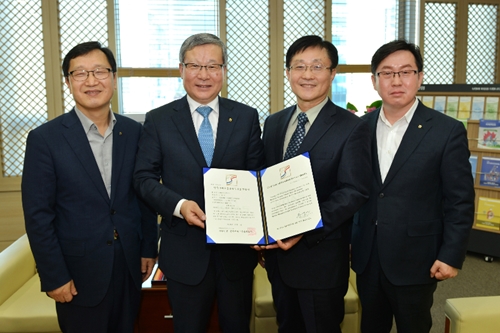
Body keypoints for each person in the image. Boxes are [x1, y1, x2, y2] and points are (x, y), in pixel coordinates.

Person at [21, 41, 158, 333]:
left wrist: (148, 247)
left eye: (99, 71)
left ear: (114, 78)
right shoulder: (45, 139)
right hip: (78, 272)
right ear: (68, 82)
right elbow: (38, 215)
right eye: (80, 73)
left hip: (129, 265)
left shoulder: (134, 131)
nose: (92, 81)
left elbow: (143, 193)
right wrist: (54, 276)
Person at [133, 33, 264, 333]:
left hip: (236, 254)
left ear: (223, 71)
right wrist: (178, 206)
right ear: (181, 70)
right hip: (184, 255)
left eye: (213, 66)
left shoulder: (245, 117)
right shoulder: (159, 119)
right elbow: (143, 179)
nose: (204, 75)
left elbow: (258, 178)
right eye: (195, 65)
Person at [351, 40, 475, 333]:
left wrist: (451, 255)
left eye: (406, 72)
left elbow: (460, 200)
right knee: (371, 325)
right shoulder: (359, 128)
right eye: (387, 73)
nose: (397, 80)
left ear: (419, 77)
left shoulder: (447, 131)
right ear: (374, 81)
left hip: (418, 257)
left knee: (414, 326)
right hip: (368, 254)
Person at [258, 35, 372, 333]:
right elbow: (264, 183)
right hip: (278, 260)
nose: (307, 75)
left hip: (320, 259)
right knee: (287, 327)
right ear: (288, 73)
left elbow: (353, 191)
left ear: (332, 73)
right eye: (299, 66)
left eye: (317, 66)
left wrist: (303, 226)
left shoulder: (352, 127)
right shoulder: (274, 123)